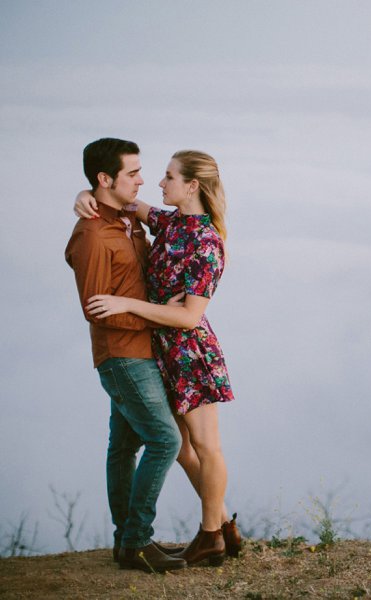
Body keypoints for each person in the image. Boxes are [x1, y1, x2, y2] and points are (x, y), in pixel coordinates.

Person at [74, 148, 241, 567]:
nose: (158, 183)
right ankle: (225, 527)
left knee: (205, 446)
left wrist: (125, 304)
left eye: (168, 177)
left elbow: (188, 316)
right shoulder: (171, 222)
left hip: (189, 354)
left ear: (191, 186)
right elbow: (121, 198)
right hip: (160, 350)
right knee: (181, 447)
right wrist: (83, 193)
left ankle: (210, 536)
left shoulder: (205, 242)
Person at [65, 138, 187, 573]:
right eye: (132, 173)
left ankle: (125, 543)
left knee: (124, 447)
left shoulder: (126, 222)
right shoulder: (95, 233)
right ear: (105, 179)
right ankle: (137, 540)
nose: (141, 180)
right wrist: (157, 319)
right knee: (165, 439)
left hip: (140, 351)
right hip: (122, 355)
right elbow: (95, 309)